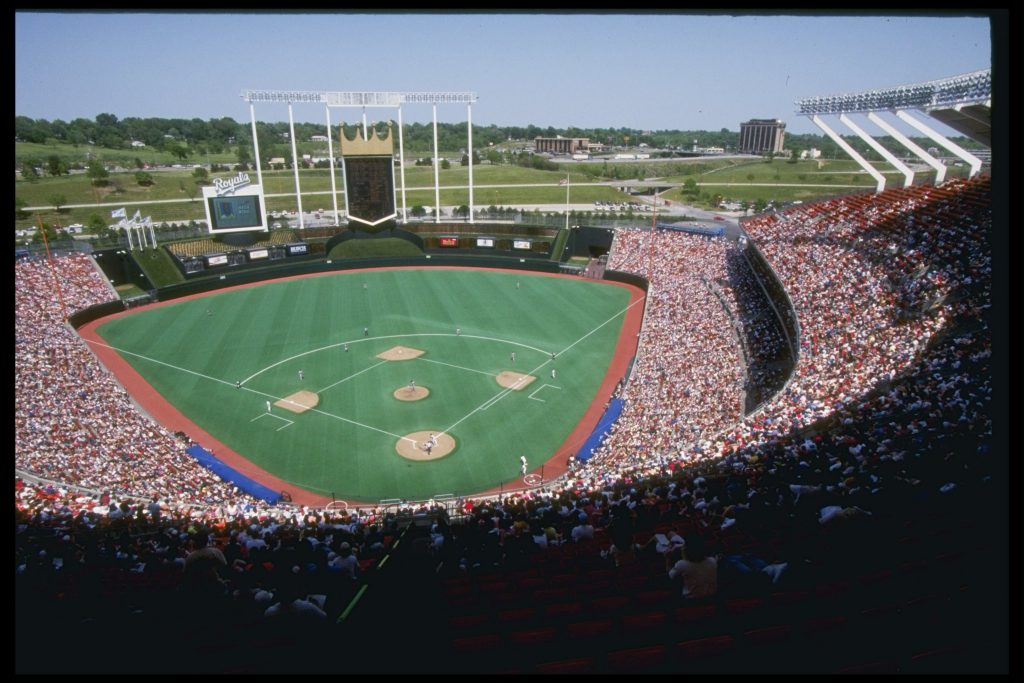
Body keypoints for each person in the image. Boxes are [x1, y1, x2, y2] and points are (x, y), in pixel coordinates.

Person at [667, 534, 718, 601]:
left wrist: (668, 558)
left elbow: (669, 576)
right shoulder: (713, 561)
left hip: (690, 601)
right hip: (712, 599)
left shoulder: (682, 564)